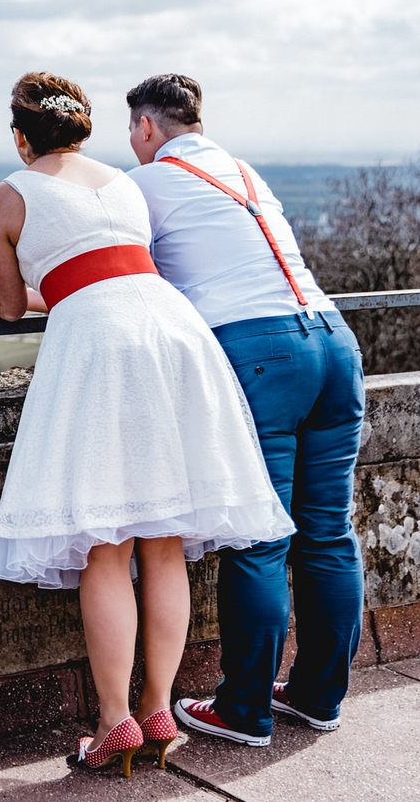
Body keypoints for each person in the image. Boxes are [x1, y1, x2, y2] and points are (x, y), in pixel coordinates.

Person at [0, 72, 294, 775]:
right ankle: (158, 708)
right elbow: (109, 264)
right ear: (82, 127)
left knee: (105, 544)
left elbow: (16, 307)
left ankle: (114, 719)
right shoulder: (125, 184)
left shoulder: (8, 195)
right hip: (172, 333)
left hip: (101, 345)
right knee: (164, 538)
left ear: (22, 137)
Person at [124, 73, 366, 746]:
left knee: (260, 535)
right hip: (333, 342)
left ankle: (244, 709)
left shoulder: (145, 184)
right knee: (326, 532)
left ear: (146, 127)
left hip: (259, 352)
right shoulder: (243, 170)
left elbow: (115, 272)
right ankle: (319, 697)